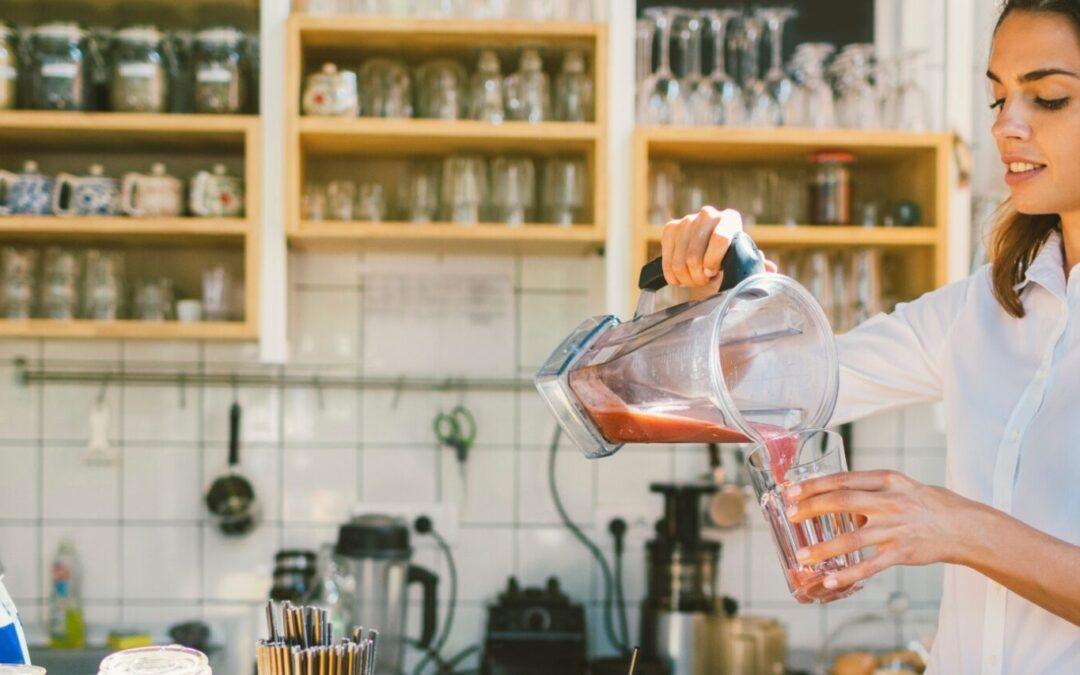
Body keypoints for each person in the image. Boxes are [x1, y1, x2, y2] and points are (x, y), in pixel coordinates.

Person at [658, 1, 1080, 672]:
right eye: (998, 96)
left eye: (1050, 97)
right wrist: (730, 287)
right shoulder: (983, 308)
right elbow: (782, 386)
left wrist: (956, 526)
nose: (1007, 125)